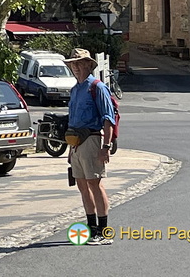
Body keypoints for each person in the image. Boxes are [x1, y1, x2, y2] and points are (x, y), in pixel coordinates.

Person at [63, 47, 117, 245]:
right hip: (76, 143)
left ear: (88, 64)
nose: (75, 67)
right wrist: (70, 149)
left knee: (94, 183)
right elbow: (73, 120)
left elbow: (108, 118)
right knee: (82, 185)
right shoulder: (75, 90)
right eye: (72, 64)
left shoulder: (97, 87)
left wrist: (105, 146)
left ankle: (104, 231)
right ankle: (92, 229)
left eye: (79, 63)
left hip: (92, 139)